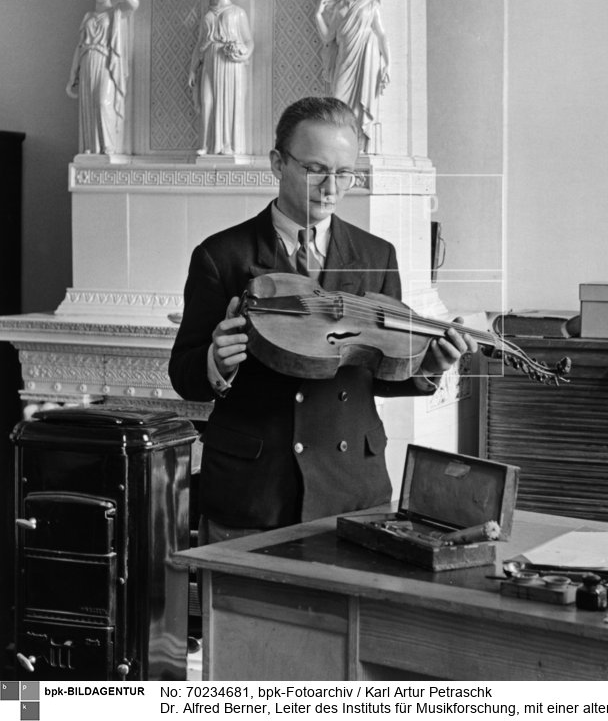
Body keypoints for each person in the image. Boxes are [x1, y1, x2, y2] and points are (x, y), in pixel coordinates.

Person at [169, 96, 475, 543]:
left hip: (351, 488)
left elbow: (378, 368)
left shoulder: (376, 256)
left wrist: (428, 367)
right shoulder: (220, 256)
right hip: (256, 490)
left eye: (345, 172)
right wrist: (218, 363)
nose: (331, 188)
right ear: (278, 163)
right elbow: (183, 374)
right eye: (316, 169)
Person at [315, 0, 390, 150]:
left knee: (360, 103)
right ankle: (339, 145)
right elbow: (327, 37)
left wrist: (387, 63)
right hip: (344, 60)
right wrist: (317, 16)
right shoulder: (341, 8)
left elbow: (381, 34)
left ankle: (358, 144)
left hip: (365, 59)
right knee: (338, 100)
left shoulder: (372, 6)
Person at [66, 0, 139, 155]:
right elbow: (80, 47)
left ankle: (108, 145)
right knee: (90, 104)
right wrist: (72, 76)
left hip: (106, 61)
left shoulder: (116, 11)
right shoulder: (88, 16)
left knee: (103, 102)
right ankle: (93, 146)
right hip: (88, 59)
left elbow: (134, 3)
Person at [188, 0, 254, 156]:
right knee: (206, 101)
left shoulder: (237, 12)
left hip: (229, 62)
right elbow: (199, 43)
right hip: (209, 59)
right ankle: (206, 144)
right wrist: (192, 69)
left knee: (228, 102)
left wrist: (242, 52)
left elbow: (249, 40)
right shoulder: (208, 14)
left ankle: (227, 144)